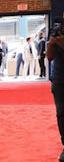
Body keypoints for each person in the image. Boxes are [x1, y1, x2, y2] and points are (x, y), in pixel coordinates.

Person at [46, 23, 64, 161]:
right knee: (61, 115)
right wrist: (52, 43)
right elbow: (49, 57)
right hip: (58, 79)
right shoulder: (56, 32)